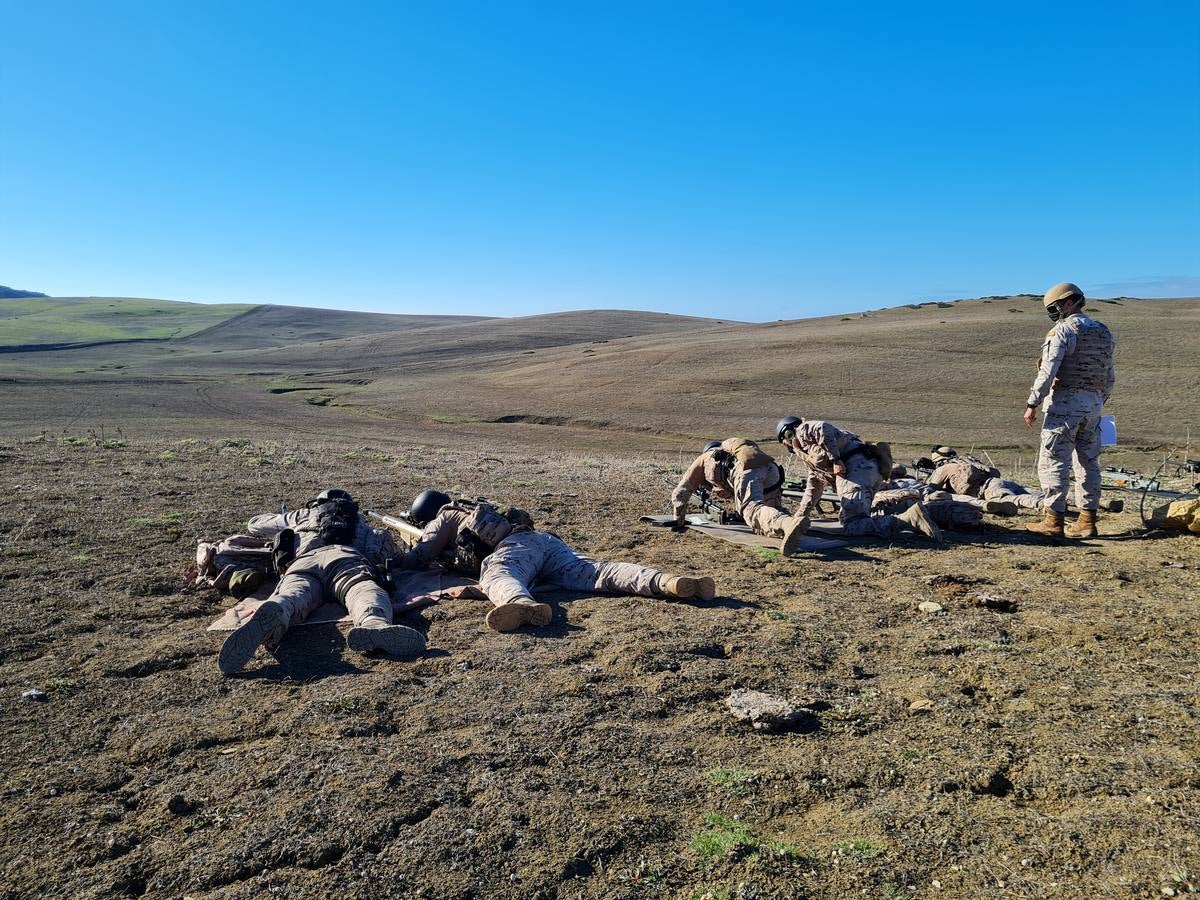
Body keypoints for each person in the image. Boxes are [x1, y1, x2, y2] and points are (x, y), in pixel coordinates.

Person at [401, 495, 717, 632]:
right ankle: (666, 582)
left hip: (515, 549)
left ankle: (521, 604)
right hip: (546, 541)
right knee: (600, 572)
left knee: (496, 575)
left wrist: (409, 550)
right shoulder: (476, 509)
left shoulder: (445, 515)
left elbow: (420, 558)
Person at [218, 489, 425, 674]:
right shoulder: (359, 522)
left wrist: (287, 518)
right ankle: (374, 623)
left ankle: (277, 612)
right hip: (346, 559)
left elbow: (254, 524)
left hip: (304, 561)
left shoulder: (303, 515)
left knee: (293, 594)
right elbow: (391, 553)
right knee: (362, 589)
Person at [1024, 282, 1116, 539]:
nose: (1053, 313)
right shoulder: (1104, 332)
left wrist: (1033, 402)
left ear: (1067, 303)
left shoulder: (1062, 331)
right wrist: (1098, 401)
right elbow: (1109, 376)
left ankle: (1053, 521)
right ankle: (1087, 520)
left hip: (1065, 405)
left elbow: (1048, 371)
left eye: (1054, 307)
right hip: (1094, 406)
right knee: (1088, 463)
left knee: (1054, 462)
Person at [775, 416, 942, 542]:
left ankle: (908, 519)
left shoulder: (802, 431)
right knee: (852, 517)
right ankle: (914, 513)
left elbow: (822, 427)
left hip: (855, 471)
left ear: (788, 433)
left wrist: (835, 460)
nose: (786, 444)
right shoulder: (811, 452)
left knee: (853, 525)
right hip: (868, 470)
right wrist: (798, 517)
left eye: (785, 440)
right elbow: (814, 488)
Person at [671, 438, 810, 555]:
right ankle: (788, 528)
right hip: (771, 469)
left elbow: (681, 492)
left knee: (752, 510)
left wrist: (678, 519)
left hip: (747, 470)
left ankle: (788, 523)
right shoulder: (731, 450)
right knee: (766, 518)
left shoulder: (704, 459)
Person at [924, 446, 1043, 515]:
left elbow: (931, 489)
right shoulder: (965, 461)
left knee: (1010, 499)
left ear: (938, 461)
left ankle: (1042, 504)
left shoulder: (944, 468)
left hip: (987, 489)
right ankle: (1055, 499)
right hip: (998, 481)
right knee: (1026, 490)